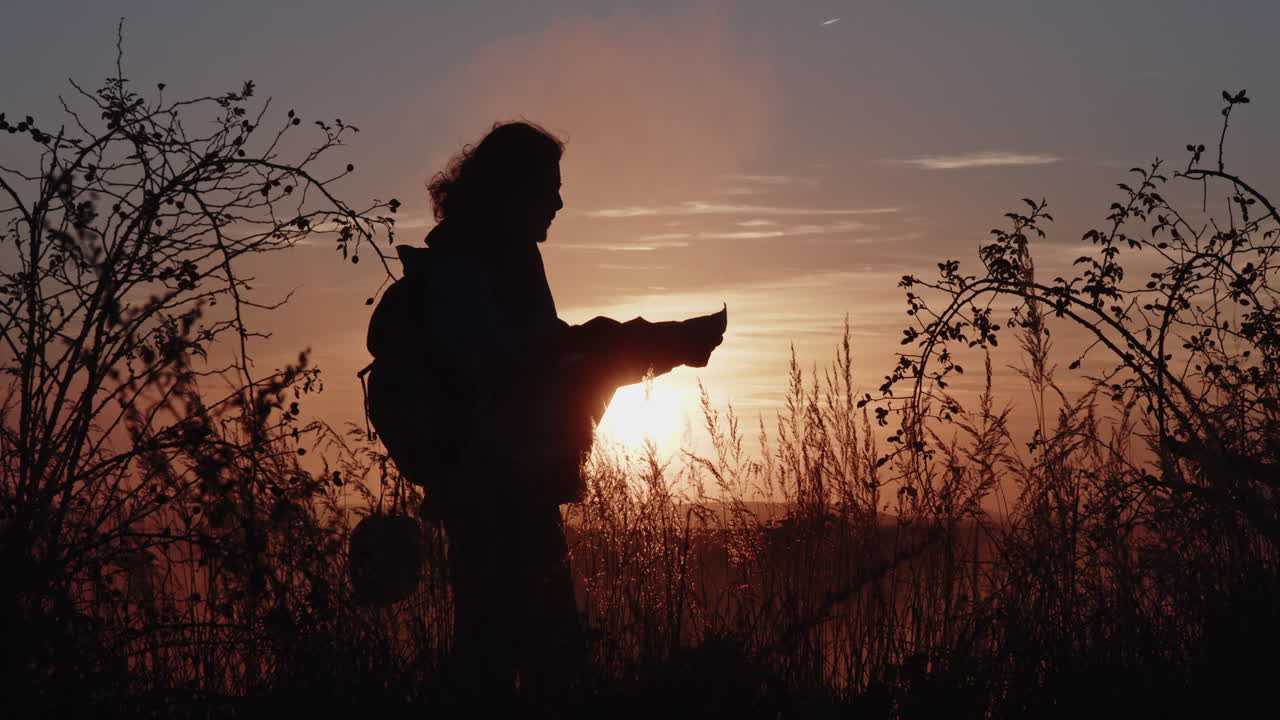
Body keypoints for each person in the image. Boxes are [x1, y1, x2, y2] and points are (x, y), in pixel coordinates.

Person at [366, 121, 726, 707]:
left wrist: (648, 346)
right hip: (494, 492)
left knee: (507, 654)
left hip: (507, 487)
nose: (558, 203)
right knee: (533, 660)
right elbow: (519, 365)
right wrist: (640, 343)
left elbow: (550, 358)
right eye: (548, 189)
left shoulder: (499, 260)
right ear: (511, 189)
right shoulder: (468, 268)